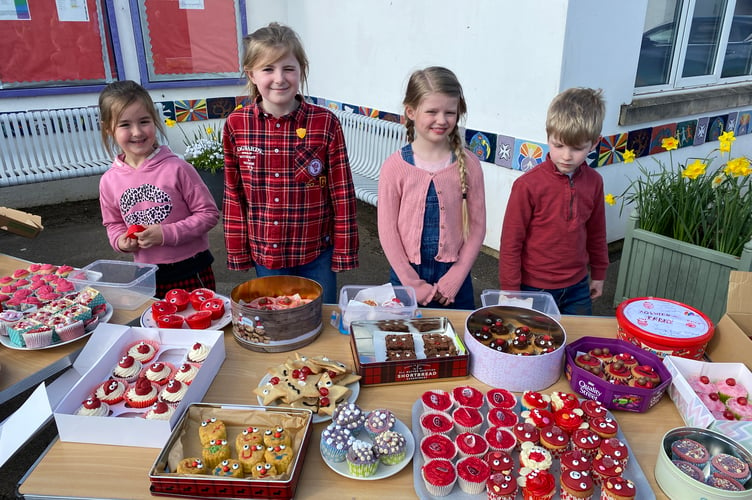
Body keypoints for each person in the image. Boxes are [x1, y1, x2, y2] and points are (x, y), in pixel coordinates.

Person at [223, 22, 359, 304]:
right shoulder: (237, 124)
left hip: (317, 253)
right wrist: (238, 251)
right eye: (268, 69)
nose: (279, 78)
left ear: (301, 70)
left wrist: (344, 250)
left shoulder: (325, 123)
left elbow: (341, 192)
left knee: (322, 318)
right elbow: (233, 194)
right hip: (266, 254)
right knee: (276, 321)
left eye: (288, 68)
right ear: (251, 74)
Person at [98, 80, 220, 298]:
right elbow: (113, 224)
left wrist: (166, 233)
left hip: (191, 269)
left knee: (201, 328)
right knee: (158, 330)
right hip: (147, 274)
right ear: (108, 129)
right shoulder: (109, 181)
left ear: (154, 121)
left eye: (144, 121)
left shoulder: (179, 168)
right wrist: (121, 241)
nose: (137, 132)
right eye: (125, 125)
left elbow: (209, 214)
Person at [377, 66, 486, 309]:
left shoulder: (470, 165)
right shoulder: (394, 167)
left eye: (450, 112)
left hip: (455, 281)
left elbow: (477, 228)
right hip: (406, 278)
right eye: (432, 111)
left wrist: (456, 276)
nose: (441, 120)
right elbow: (387, 231)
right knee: (404, 342)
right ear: (411, 111)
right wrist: (411, 283)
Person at [499, 87, 609, 315]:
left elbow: (597, 233)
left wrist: (599, 274)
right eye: (558, 145)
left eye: (577, 148)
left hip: (577, 286)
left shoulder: (594, 182)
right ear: (548, 136)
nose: (567, 156)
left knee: (577, 343)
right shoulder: (527, 185)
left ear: (594, 144)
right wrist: (510, 289)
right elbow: (511, 242)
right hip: (533, 288)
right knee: (534, 345)